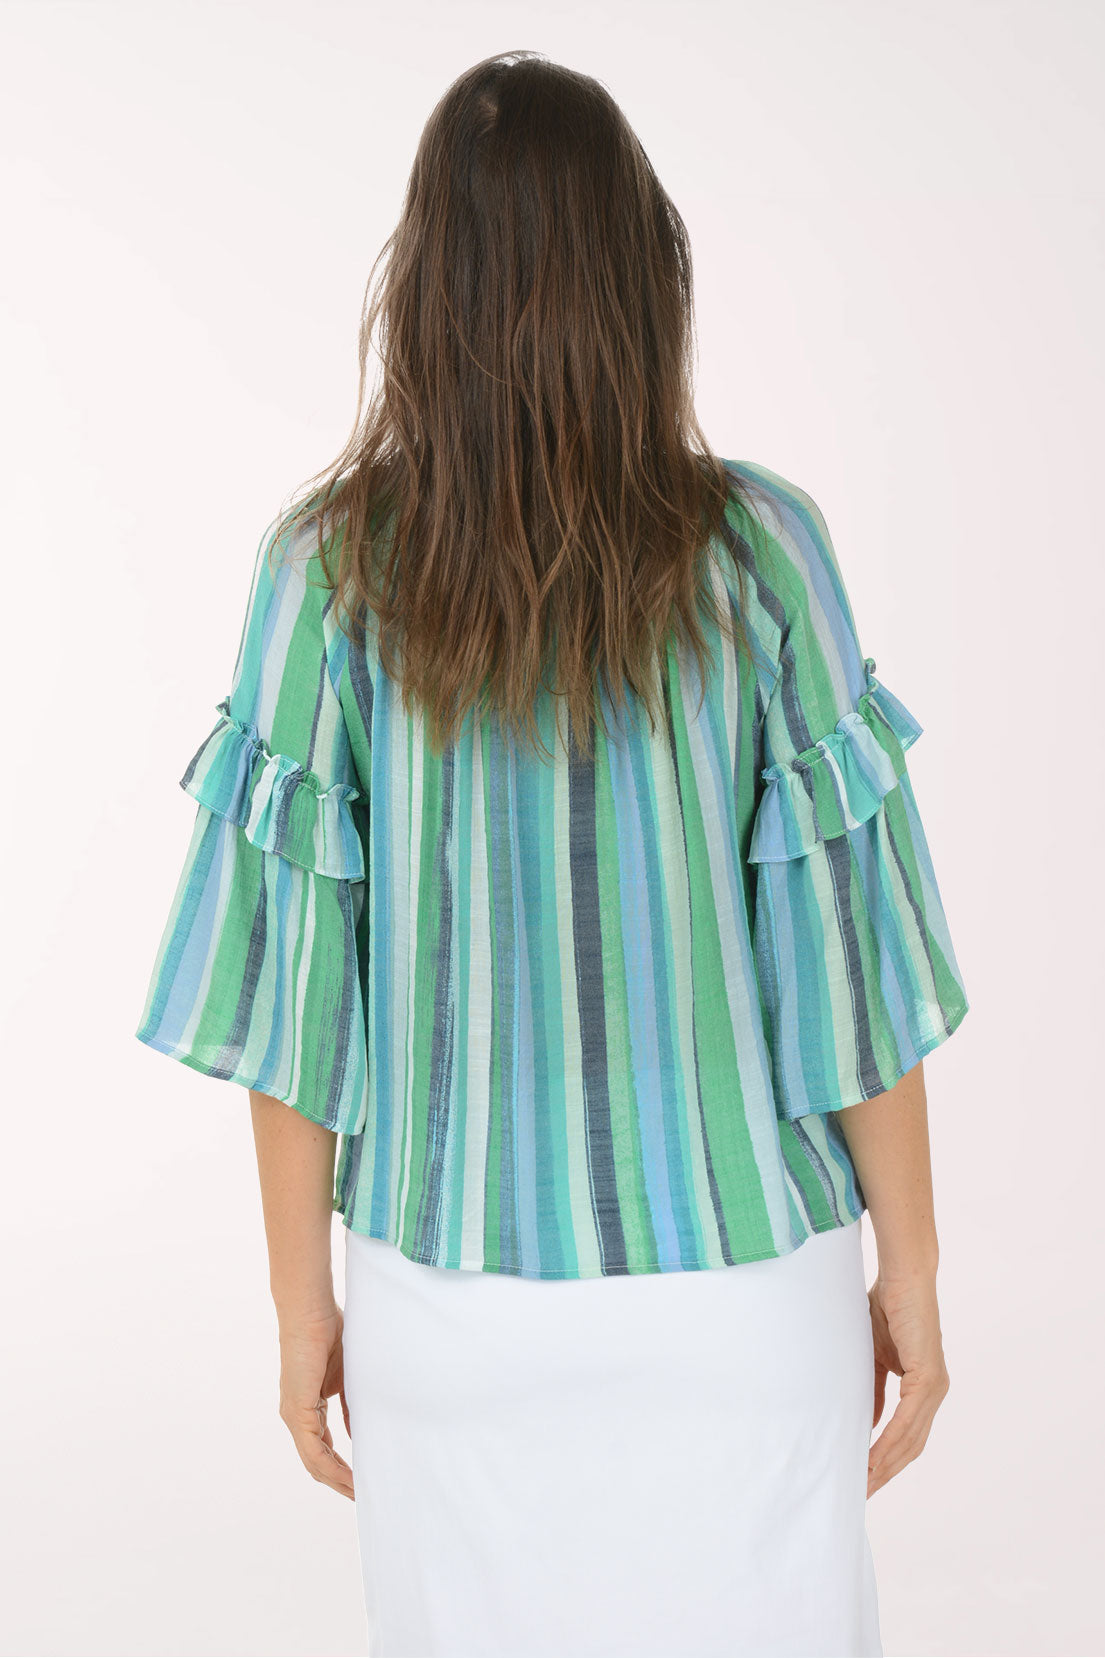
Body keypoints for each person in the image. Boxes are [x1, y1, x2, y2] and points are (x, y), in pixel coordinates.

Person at [134, 48, 969, 1658]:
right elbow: (843, 972)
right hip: (743, 1288)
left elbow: (298, 1014)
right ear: (643, 274)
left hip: (452, 1300)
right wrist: (915, 1274)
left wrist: (302, 1303)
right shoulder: (765, 553)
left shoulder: (322, 574)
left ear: (422, 290)